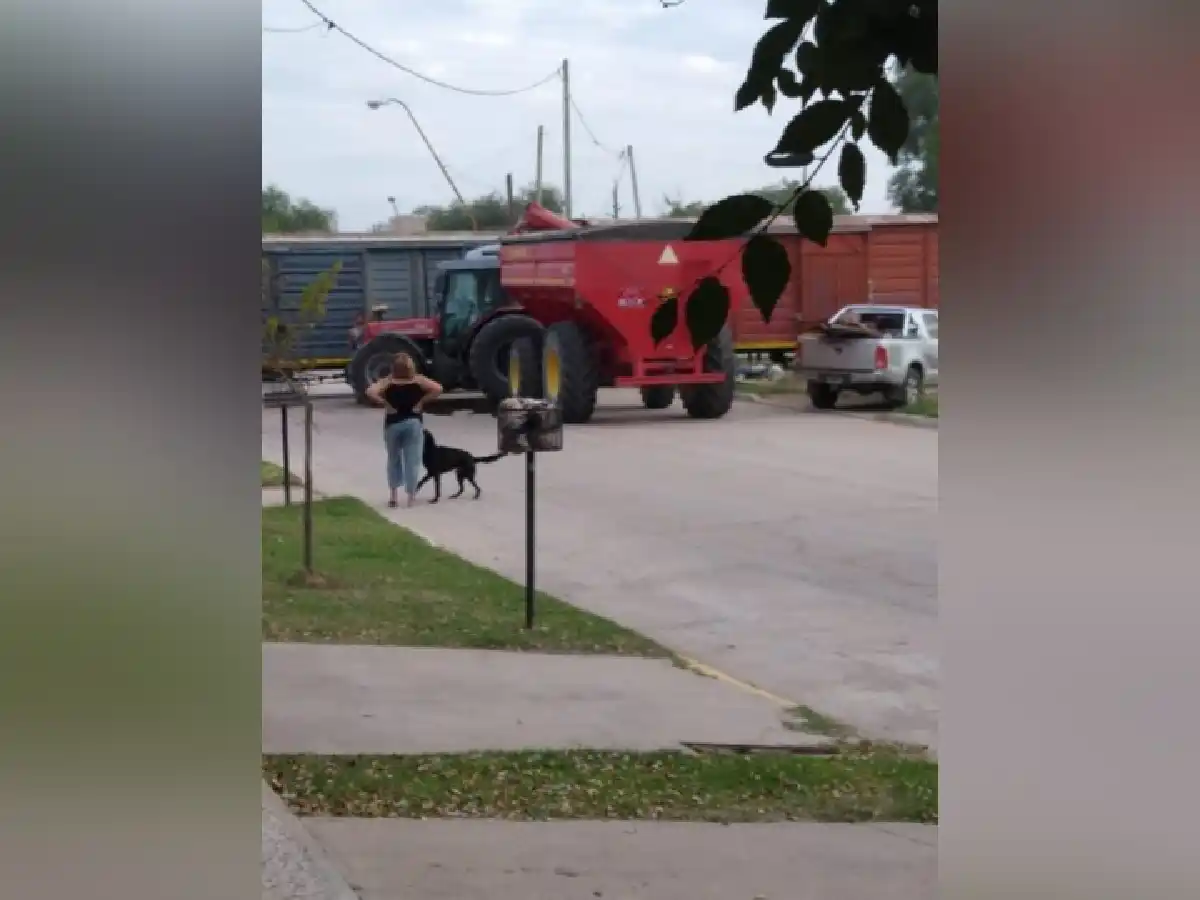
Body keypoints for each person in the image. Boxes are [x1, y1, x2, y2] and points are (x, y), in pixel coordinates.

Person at [365, 354, 443, 508]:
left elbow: (370, 391)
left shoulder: (388, 381)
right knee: (412, 461)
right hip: (413, 422)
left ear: (393, 367)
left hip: (392, 423)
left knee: (393, 459)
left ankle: (393, 496)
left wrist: (384, 403)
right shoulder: (418, 380)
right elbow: (438, 388)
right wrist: (421, 402)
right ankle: (411, 497)